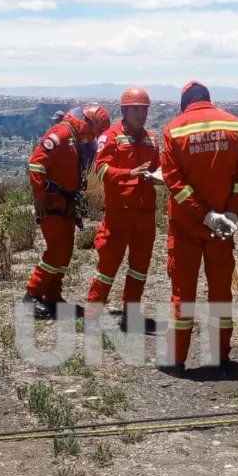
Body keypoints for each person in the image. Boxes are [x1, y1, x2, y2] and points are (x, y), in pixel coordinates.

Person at [159, 81, 238, 372]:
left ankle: (176, 359)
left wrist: (203, 215)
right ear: (208, 100)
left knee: (183, 292)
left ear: (185, 104)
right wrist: (231, 214)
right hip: (223, 229)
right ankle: (220, 356)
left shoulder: (173, 130)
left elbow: (176, 184)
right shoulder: (235, 125)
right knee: (221, 292)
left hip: (187, 226)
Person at [23, 104, 111, 318]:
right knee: (56, 252)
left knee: (65, 253)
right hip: (52, 203)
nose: (93, 138)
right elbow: (36, 163)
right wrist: (40, 197)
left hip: (64, 204)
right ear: (89, 123)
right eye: (95, 132)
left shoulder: (74, 136)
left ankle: (52, 297)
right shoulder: (61, 133)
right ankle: (31, 297)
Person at [87, 87, 159, 330]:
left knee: (139, 268)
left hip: (145, 213)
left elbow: (158, 167)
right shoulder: (110, 136)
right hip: (119, 213)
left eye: (145, 110)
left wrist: (158, 177)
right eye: (137, 109)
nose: (142, 115)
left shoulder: (152, 138)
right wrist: (130, 173)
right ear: (125, 111)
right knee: (107, 267)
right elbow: (102, 170)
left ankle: (131, 314)